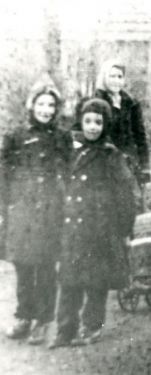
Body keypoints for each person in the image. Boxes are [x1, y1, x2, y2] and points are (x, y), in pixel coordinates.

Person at [48, 98, 136, 349]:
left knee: (96, 281)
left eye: (98, 122)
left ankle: (92, 326)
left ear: (105, 124)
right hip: (73, 227)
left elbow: (125, 194)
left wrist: (124, 228)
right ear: (81, 122)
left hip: (100, 229)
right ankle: (65, 330)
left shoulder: (111, 155)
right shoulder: (73, 152)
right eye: (88, 121)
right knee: (68, 280)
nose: (93, 127)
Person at [0, 81, 73, 345]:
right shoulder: (16, 136)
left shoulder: (62, 138)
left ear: (56, 109)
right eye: (41, 104)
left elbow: (69, 172)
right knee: (22, 265)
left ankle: (43, 320)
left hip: (50, 210)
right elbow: (4, 173)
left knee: (44, 266)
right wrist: (5, 205)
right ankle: (23, 316)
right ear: (32, 106)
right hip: (21, 210)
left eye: (51, 105)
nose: (46, 110)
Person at [94, 59, 150, 187]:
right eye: (112, 76)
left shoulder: (131, 103)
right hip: (105, 163)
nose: (116, 80)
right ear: (104, 77)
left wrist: (145, 170)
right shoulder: (97, 102)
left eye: (120, 76)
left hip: (130, 164)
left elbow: (140, 137)